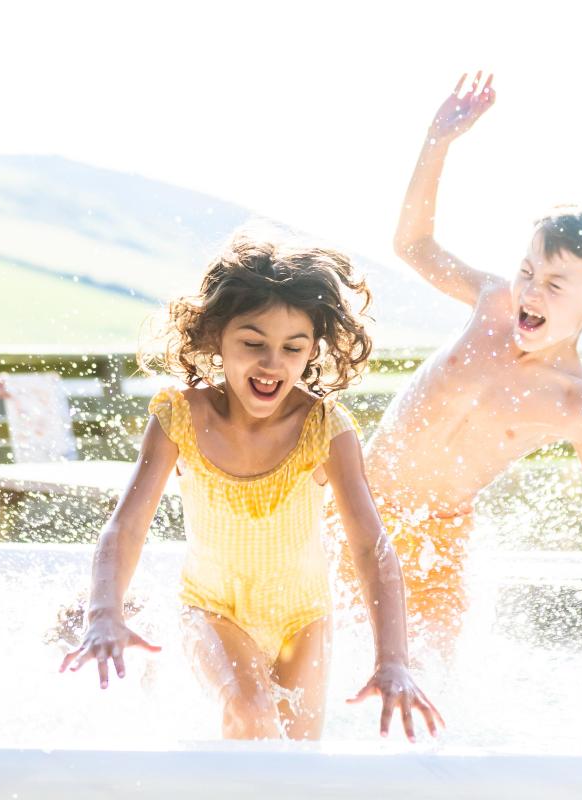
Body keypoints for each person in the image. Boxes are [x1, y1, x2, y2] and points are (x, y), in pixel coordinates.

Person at [353, 72, 582, 696]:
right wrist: (438, 141)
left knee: (426, 695)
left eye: (555, 285)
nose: (531, 292)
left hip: (436, 540)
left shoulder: (574, 407)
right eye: (527, 270)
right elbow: (412, 243)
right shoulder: (492, 303)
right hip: (356, 499)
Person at [60, 233, 443, 741]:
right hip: (211, 609)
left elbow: (371, 547)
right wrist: (105, 612)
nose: (271, 363)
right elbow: (126, 527)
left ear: (313, 350)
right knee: (250, 712)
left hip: (304, 618)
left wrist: (393, 661)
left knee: (294, 761)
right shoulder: (179, 416)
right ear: (215, 337)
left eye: (293, 348)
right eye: (253, 343)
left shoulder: (326, 428)